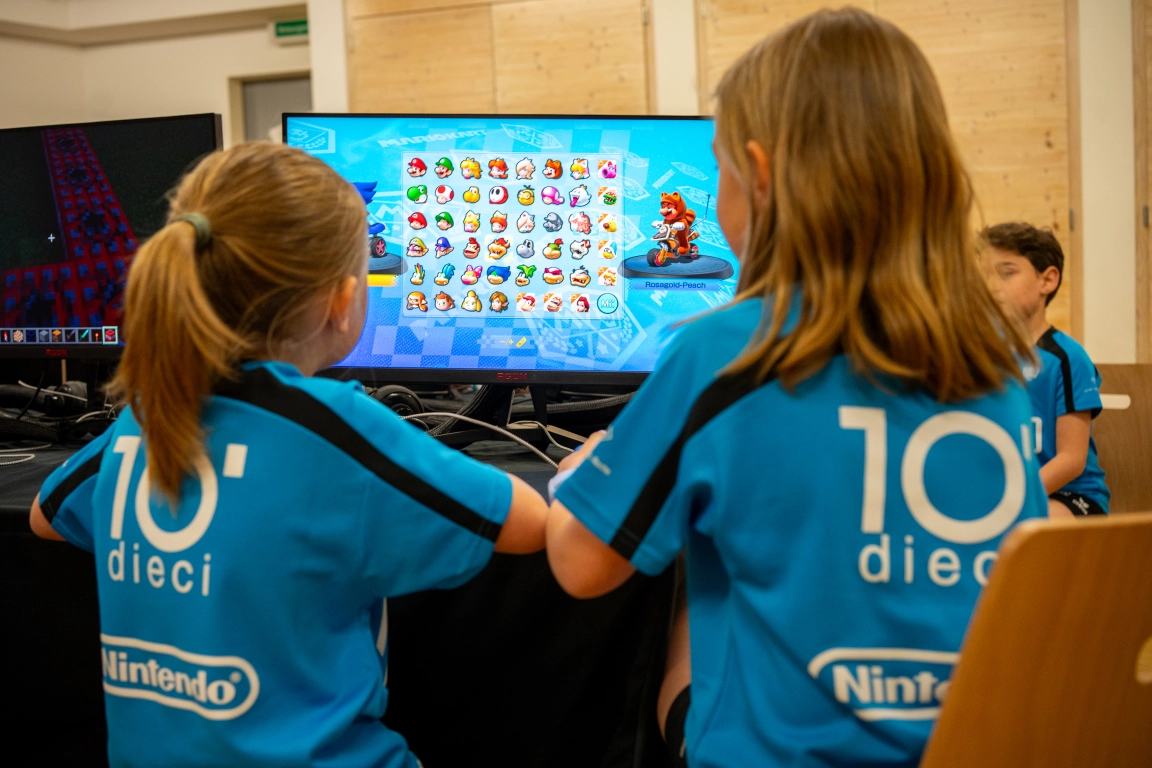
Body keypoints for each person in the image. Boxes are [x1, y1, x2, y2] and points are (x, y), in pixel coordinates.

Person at [544, 8, 1048, 767]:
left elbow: (583, 565)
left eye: (718, 169)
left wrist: (584, 474)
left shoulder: (724, 355)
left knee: (684, 616)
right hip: (963, 748)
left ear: (759, 173)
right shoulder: (991, 367)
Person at [29, 142, 548, 767]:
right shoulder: (334, 428)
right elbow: (526, 522)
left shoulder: (147, 415)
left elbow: (44, 515)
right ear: (341, 301)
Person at [982, 222, 1109, 517]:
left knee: (1027, 530)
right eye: (985, 274)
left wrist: (1012, 499)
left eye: (1006, 273)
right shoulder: (983, 355)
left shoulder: (1067, 358)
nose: (991, 285)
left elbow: (1071, 460)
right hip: (1007, 493)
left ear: (1047, 280)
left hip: (1070, 495)